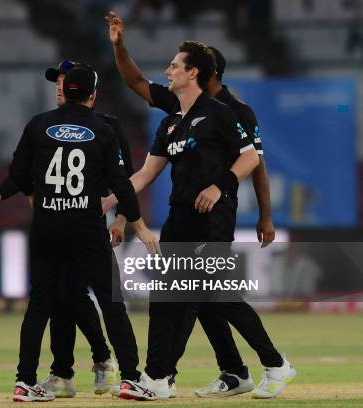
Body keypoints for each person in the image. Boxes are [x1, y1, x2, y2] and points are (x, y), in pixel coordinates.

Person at [106, 11, 297, 399]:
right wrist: (111, 199)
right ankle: (187, 375)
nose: (168, 70)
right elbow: (144, 173)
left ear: (199, 73)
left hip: (213, 218)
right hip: (179, 217)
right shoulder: (172, 121)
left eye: (175, 65)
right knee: (182, 296)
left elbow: (252, 159)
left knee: (205, 295)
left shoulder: (227, 113)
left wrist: (231, 192)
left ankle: (168, 377)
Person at [0, 60, 133, 398]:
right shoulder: (47, 127)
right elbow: (28, 175)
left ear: (82, 88)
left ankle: (88, 365)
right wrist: (23, 194)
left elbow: (120, 183)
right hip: (65, 227)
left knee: (68, 299)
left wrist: (123, 219)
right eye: (56, 80)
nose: (59, 85)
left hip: (80, 227)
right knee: (65, 301)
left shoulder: (104, 126)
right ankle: (70, 372)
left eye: (65, 80)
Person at [1, 64, 159, 402]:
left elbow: (17, 172)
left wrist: (36, 197)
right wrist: (138, 224)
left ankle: (24, 382)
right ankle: (131, 377)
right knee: (110, 303)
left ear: (64, 90)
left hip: (46, 227)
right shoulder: (103, 129)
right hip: (86, 227)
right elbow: (121, 183)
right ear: (93, 95)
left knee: (40, 304)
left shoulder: (38, 124)